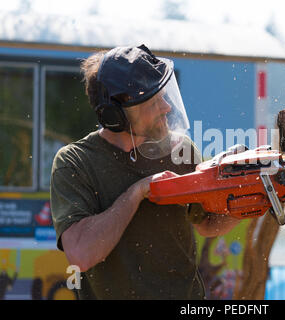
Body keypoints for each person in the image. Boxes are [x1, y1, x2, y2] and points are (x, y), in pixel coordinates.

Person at [50, 44, 241, 300]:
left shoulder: (180, 151)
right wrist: (138, 191)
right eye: (153, 101)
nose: (167, 107)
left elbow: (206, 223)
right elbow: (81, 253)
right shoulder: (75, 162)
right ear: (115, 113)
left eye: (163, 95)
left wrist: (248, 198)